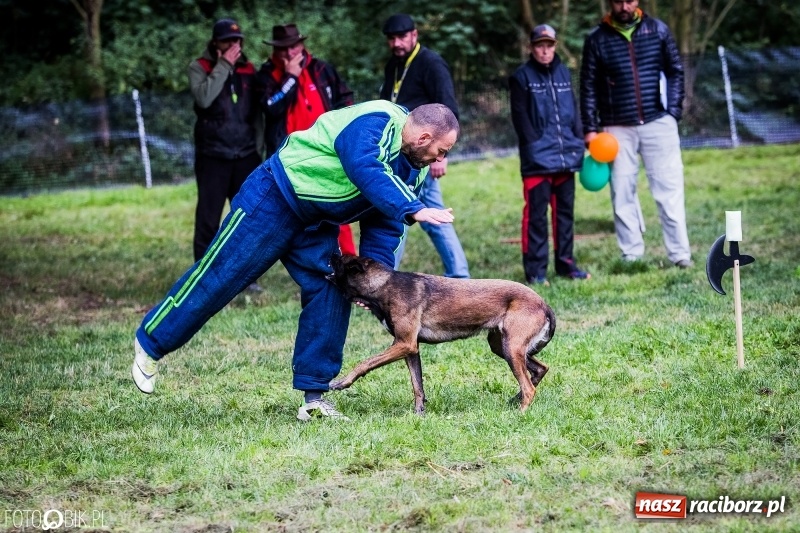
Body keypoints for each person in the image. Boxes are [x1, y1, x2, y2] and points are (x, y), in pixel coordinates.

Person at [132, 101, 459, 422]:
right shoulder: (378, 119)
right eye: (442, 151)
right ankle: (151, 342)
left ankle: (314, 397)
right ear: (423, 138)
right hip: (274, 196)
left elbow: (385, 226)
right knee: (221, 275)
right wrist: (413, 208)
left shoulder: (414, 173)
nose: (440, 159)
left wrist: (376, 283)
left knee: (334, 287)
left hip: (316, 223)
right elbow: (363, 164)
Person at [580, 0, 693, 268]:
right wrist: (589, 129)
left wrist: (673, 112)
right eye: (618, 1)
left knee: (669, 189)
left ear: (637, 2)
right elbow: (588, 86)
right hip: (615, 128)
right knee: (622, 191)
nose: (624, 6)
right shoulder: (596, 39)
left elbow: (675, 71)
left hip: (658, 122)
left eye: (629, 0)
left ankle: (680, 254)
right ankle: (631, 255)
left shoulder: (658, 30)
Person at [379, 13, 470, 278]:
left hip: (424, 153)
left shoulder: (431, 63)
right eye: (392, 38)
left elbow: (449, 110)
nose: (396, 43)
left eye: (402, 37)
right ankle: (459, 275)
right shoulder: (392, 65)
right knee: (424, 215)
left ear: (414, 35)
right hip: (400, 153)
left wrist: (441, 155)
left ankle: (458, 277)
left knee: (401, 212)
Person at [256, 23, 357, 255]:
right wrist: (291, 76)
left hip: (327, 151)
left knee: (338, 206)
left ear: (302, 44)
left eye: (294, 46)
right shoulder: (266, 75)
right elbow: (271, 108)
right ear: (275, 50)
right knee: (296, 213)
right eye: (284, 49)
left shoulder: (321, 69)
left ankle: (349, 261)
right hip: (290, 157)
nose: (290, 53)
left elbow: (345, 100)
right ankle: (313, 262)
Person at [509, 25, 591, 286]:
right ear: (532, 48)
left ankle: (566, 265)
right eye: (540, 45)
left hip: (567, 156)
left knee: (564, 214)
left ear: (555, 46)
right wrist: (534, 145)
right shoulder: (521, 76)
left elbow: (573, 110)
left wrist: (578, 139)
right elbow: (520, 118)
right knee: (535, 216)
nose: (545, 50)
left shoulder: (564, 71)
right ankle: (536, 272)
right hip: (537, 160)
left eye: (550, 45)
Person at [189, 19, 264, 277]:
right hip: (213, 155)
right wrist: (224, 66)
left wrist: (259, 145)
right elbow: (204, 98)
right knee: (209, 219)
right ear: (215, 43)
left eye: (238, 40)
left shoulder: (249, 70)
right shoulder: (200, 67)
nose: (234, 45)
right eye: (228, 41)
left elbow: (258, 109)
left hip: (245, 153)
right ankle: (202, 275)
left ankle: (244, 275)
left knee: (247, 218)